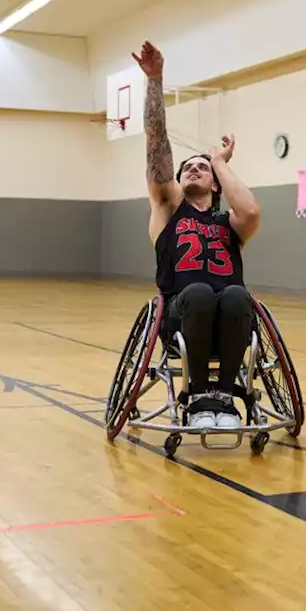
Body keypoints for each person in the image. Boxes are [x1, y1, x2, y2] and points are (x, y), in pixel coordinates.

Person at [132, 41, 261, 430]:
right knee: (202, 292)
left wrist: (219, 160)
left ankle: (223, 396)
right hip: (181, 313)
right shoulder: (169, 209)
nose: (192, 169)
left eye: (202, 168)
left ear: (216, 182)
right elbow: (157, 144)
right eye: (188, 167)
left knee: (238, 293)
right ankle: (198, 394)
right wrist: (155, 81)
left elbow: (251, 211)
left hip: (230, 315)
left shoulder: (230, 224)